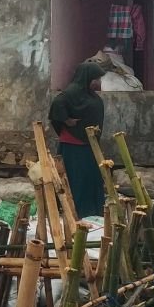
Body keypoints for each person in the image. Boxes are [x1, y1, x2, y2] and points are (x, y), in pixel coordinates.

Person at [49, 61, 107, 218]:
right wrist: (66, 120)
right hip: (74, 145)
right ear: (87, 78)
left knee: (91, 177)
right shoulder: (72, 92)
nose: (99, 83)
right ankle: (78, 211)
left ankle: (93, 210)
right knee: (78, 179)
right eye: (96, 79)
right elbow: (57, 104)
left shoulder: (89, 95)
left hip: (89, 144)